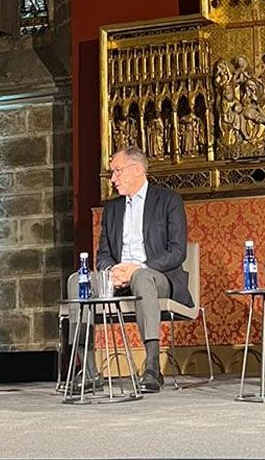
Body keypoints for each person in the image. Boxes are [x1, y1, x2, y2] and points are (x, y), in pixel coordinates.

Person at [66, 147, 192, 393]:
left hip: (158, 277)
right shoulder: (113, 209)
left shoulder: (168, 200)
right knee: (76, 280)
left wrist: (137, 269)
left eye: (117, 171)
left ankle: (153, 368)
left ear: (136, 170)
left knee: (142, 277)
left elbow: (177, 252)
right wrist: (112, 272)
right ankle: (89, 370)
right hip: (117, 277)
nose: (112, 178)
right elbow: (103, 254)